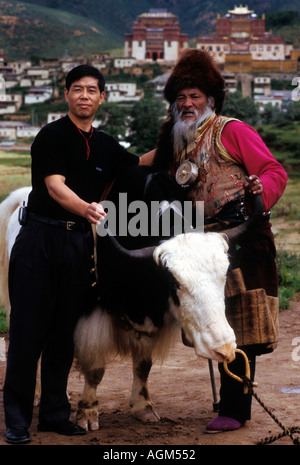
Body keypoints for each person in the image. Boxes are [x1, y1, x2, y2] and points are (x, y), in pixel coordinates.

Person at [140, 49, 288, 432]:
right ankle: (228, 401)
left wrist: (260, 193)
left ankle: (235, 409)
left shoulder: (232, 131)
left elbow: (273, 170)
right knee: (209, 314)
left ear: (211, 99)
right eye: (181, 98)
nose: (187, 104)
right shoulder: (179, 142)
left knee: (240, 319)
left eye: (195, 96)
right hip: (203, 244)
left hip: (243, 237)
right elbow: (143, 164)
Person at [3, 64, 139, 444]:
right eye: (77, 89)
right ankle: (16, 418)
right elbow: (55, 187)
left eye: (91, 90)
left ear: (102, 98)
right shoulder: (51, 136)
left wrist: (180, 139)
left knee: (65, 335)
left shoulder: (108, 145)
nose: (84, 95)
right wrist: (88, 210)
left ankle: (53, 415)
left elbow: (139, 165)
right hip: (40, 242)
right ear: (66, 95)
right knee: (28, 334)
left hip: (79, 246)